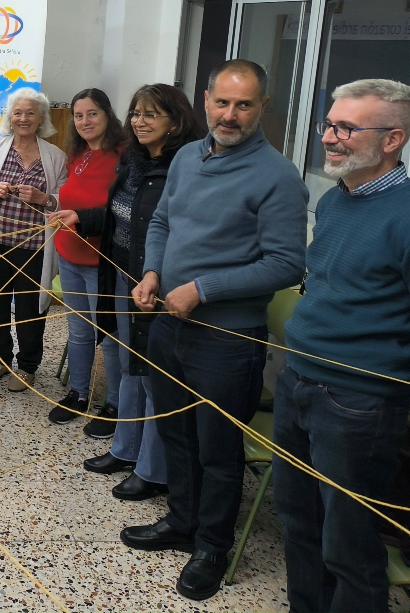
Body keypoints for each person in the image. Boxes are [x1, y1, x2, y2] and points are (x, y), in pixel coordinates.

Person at [124, 60, 308, 601]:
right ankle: (181, 521)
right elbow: (162, 222)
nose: (230, 115)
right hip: (168, 324)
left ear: (262, 107)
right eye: (222, 102)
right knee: (175, 432)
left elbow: (286, 265)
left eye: (244, 104)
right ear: (206, 100)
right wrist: (153, 271)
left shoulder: (277, 176)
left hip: (227, 338)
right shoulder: (186, 155)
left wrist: (202, 289)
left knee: (217, 447)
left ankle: (212, 545)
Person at [273, 78, 410, 613]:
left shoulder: (403, 214)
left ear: (393, 139)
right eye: (329, 125)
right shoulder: (335, 200)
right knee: (298, 521)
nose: (329, 138)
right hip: (298, 381)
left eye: (346, 128)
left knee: (349, 545)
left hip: (358, 404)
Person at [54, 84, 203, 500]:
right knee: (127, 362)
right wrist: (81, 217)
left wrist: (157, 275)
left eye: (151, 114)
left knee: (150, 372)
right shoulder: (136, 161)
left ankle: (152, 469)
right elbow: (125, 217)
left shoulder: (183, 167)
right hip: (121, 273)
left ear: (175, 121)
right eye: (136, 113)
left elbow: (172, 229)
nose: (140, 121)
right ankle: (126, 447)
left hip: (154, 283)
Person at [0, 88, 66, 391]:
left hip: (35, 249)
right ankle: (1, 360)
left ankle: (28, 366)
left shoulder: (55, 156)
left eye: (30, 113)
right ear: (10, 117)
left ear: (41, 119)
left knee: (30, 308)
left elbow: (64, 201)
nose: (23, 118)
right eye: (18, 113)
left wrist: (44, 198)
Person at [46, 88, 126, 429]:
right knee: (78, 331)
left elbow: (122, 211)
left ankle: (115, 405)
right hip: (70, 255)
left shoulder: (124, 157)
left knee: (107, 335)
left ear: (107, 114)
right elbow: (69, 200)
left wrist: (82, 216)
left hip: (101, 263)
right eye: (79, 116)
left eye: (92, 113)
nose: (84, 121)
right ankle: (78, 394)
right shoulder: (77, 154)